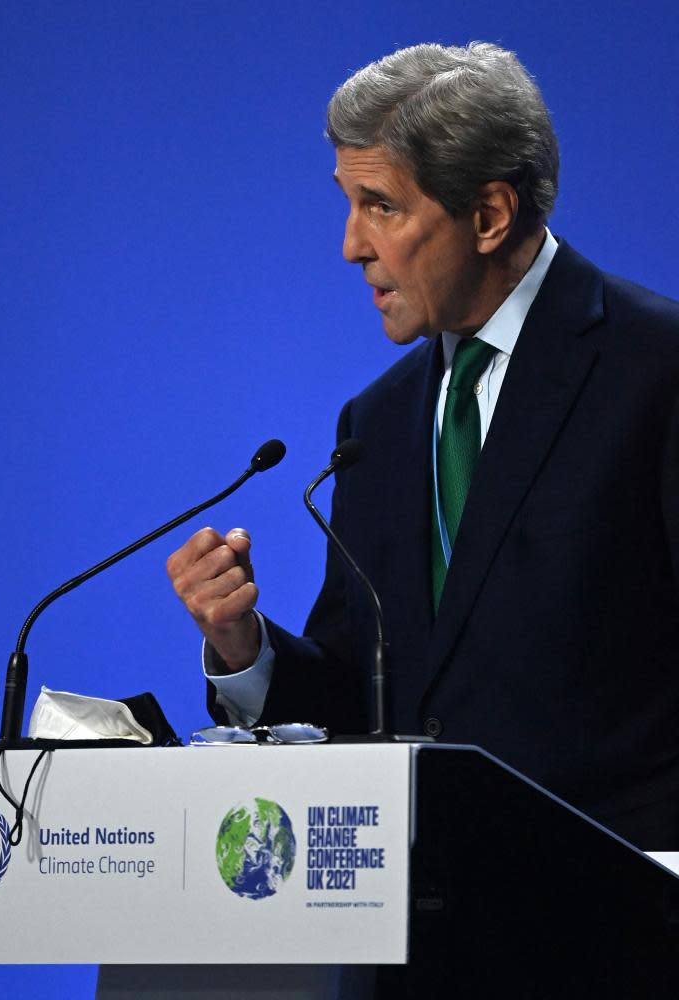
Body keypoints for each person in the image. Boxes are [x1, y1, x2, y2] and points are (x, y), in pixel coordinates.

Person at [166, 42, 679, 851]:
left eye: (382, 206)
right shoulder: (376, 421)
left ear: (488, 217)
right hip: (420, 927)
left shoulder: (656, 369)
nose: (351, 245)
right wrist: (244, 648)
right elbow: (355, 698)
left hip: (624, 918)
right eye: (347, 202)